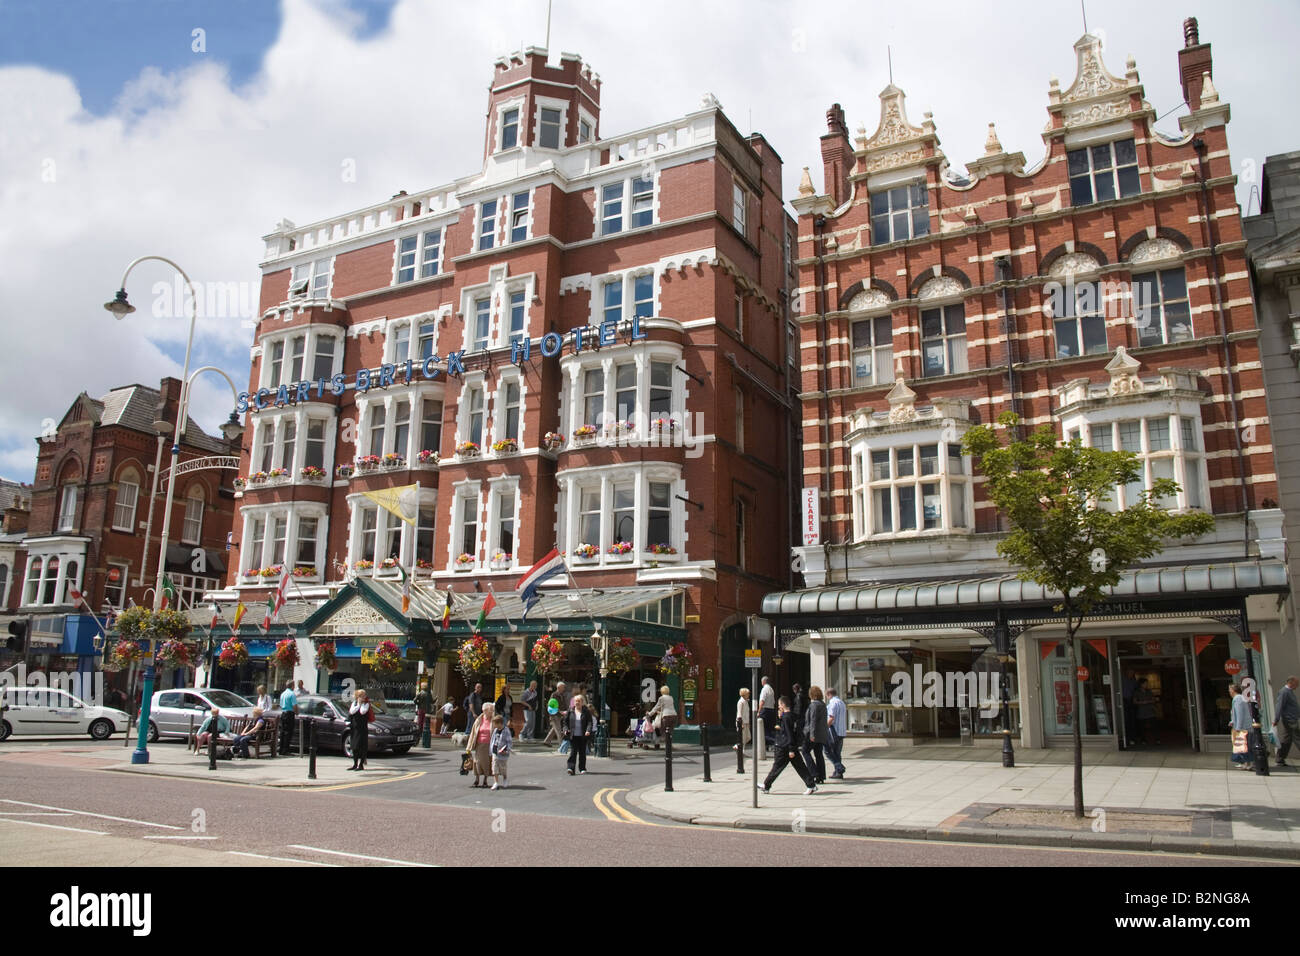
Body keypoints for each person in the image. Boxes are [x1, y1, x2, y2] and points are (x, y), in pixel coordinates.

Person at [761, 696, 816, 795]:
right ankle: (811, 785)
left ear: (783, 705)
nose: (778, 707)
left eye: (779, 705)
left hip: (785, 747)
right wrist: (780, 718)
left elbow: (789, 733)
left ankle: (766, 785)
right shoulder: (792, 716)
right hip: (791, 746)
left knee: (777, 767)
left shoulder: (786, 718)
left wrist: (791, 749)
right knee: (800, 766)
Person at [465, 702, 496, 787]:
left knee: (487, 762)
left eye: (492, 710)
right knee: (477, 762)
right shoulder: (479, 720)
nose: (492, 712)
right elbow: (473, 733)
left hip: (489, 745)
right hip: (479, 744)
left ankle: (485, 780)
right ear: (485, 710)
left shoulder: (493, 720)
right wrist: (469, 747)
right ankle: (477, 779)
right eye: (490, 710)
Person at [1272, 675, 1300, 767]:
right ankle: (1279, 759)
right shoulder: (1284, 692)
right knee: (1298, 738)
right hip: (1289, 720)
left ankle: (1279, 759)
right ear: (1291, 682)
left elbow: (1293, 707)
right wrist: (1276, 719)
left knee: (1287, 740)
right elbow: (1279, 706)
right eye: (1297, 683)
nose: (1298, 685)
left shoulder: (1289, 692)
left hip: (1292, 719)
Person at [803, 685, 829, 783]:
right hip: (821, 734)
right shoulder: (823, 704)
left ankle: (814, 773)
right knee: (818, 754)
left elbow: (813, 720)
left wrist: (812, 734)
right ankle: (821, 776)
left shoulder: (814, 705)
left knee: (805, 751)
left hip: (813, 733)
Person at [565, 694, 596, 775]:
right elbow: (565, 722)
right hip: (573, 735)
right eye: (576, 701)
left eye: (579, 701)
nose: (577, 703)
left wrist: (588, 730)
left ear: (582, 702)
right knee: (573, 752)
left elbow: (589, 722)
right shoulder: (570, 710)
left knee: (582, 753)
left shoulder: (586, 711)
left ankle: (582, 768)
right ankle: (570, 768)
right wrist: (566, 729)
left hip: (583, 735)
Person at [1228, 684, 1253, 770]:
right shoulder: (1239, 698)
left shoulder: (1238, 699)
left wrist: (1238, 727)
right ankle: (1245, 763)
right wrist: (1233, 721)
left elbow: (1240, 714)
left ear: (1234, 690)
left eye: (1230, 689)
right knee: (1243, 745)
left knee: (1244, 745)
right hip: (1243, 726)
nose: (1229, 691)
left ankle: (1248, 763)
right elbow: (1237, 714)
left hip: (1243, 727)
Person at [825, 687, 847, 778]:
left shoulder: (833, 703)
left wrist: (825, 727)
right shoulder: (841, 702)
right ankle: (838, 772)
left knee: (827, 751)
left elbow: (831, 718)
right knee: (837, 752)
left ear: (829, 694)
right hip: (841, 731)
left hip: (834, 731)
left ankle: (839, 767)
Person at [348, 689, 372, 771]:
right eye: (362, 696)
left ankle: (361, 765)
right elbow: (351, 711)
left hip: (362, 729)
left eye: (364, 695)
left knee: (362, 747)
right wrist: (358, 703)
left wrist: (361, 704)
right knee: (354, 746)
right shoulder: (354, 703)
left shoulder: (366, 704)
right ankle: (355, 764)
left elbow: (362, 712)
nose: (364, 697)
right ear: (358, 696)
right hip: (355, 728)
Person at [489, 714, 512, 790]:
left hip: (502, 753)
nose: (494, 725)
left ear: (499, 723)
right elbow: (492, 740)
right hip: (495, 751)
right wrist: (491, 750)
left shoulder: (506, 730)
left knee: (503, 768)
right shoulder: (495, 730)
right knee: (494, 767)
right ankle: (496, 782)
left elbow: (509, 742)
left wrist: (507, 750)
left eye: (495, 724)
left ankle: (505, 779)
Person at [1133, 678, 1158, 746]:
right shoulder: (1137, 692)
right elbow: (1134, 701)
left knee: (1154, 725)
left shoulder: (1149, 691)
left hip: (1150, 711)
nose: (1146, 685)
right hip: (1141, 711)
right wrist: (1142, 702)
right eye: (1145, 683)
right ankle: (1143, 740)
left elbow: (1154, 699)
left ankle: (1156, 739)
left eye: (1147, 683)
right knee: (1142, 727)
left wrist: (1150, 702)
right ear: (1141, 684)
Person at [278, 681, 297, 756]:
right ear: (292, 686)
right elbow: (294, 705)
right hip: (289, 714)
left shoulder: (283, 694)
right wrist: (297, 712)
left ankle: (281, 749)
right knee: (288, 732)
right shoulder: (292, 694)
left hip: (283, 713)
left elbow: (280, 705)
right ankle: (285, 750)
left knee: (282, 732)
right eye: (294, 685)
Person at [758, 676, 776, 746]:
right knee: (770, 729)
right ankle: (768, 745)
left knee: (764, 730)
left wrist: (759, 711)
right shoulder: (771, 689)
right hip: (771, 710)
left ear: (763, 682)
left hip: (765, 710)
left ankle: (775, 742)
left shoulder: (764, 689)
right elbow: (773, 702)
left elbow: (762, 701)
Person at [734, 687, 752, 752]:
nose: (749, 694)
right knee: (743, 738)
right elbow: (739, 712)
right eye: (748, 693)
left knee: (748, 737)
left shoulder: (746, 701)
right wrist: (740, 723)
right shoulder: (740, 702)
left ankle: (737, 747)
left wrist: (749, 723)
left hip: (746, 722)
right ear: (744, 694)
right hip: (742, 722)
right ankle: (741, 750)